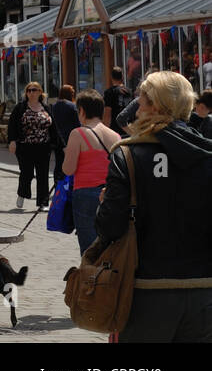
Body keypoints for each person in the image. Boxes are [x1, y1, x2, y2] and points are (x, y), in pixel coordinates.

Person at [95, 71, 212, 342]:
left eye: (141, 102)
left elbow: (109, 227)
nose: (136, 109)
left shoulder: (128, 155)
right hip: (205, 293)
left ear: (156, 106)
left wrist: (105, 204)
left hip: (146, 293)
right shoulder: (207, 155)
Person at [60, 89, 121, 253]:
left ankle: (91, 277)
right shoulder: (115, 136)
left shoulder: (78, 134)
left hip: (85, 193)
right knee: (109, 244)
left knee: (89, 248)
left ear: (82, 111)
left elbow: (68, 169)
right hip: (110, 193)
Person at [8, 81, 54, 209]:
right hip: (25, 146)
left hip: (43, 147)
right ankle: (22, 194)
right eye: (29, 90)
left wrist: (61, 145)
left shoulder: (47, 108)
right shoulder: (20, 108)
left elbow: (54, 128)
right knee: (26, 173)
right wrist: (12, 141)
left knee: (43, 175)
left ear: (40, 92)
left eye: (34, 90)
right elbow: (12, 126)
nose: (31, 93)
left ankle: (43, 203)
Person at [50, 84, 78, 182]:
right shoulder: (72, 106)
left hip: (58, 139)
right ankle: (68, 185)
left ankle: (58, 184)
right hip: (70, 138)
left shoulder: (54, 106)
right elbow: (77, 123)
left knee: (58, 162)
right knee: (71, 163)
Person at [103, 66, 131, 131]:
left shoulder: (109, 92)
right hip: (128, 128)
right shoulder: (129, 92)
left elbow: (107, 113)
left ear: (111, 78)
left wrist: (106, 130)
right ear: (122, 77)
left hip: (115, 128)